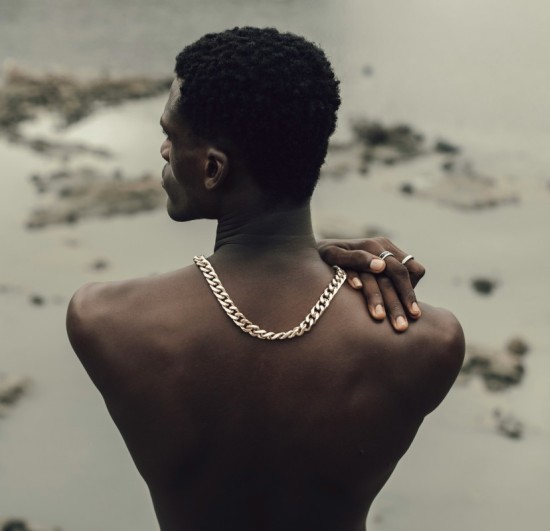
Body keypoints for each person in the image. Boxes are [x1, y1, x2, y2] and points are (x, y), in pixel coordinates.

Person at [67, 27, 464, 531]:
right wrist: (315, 254)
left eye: (172, 135)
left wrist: (309, 254)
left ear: (213, 169)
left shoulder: (105, 320)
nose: (165, 151)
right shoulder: (429, 344)